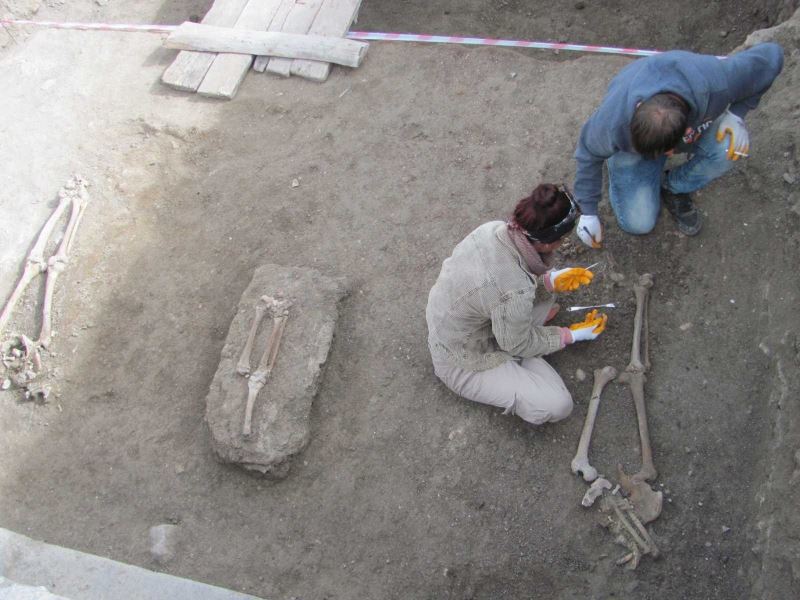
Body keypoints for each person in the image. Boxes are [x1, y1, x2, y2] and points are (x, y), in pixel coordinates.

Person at [426, 184, 608, 425]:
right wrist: (568, 335)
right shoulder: (515, 291)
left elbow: (501, 286)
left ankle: (527, 340)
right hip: (461, 358)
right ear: (548, 241)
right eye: (563, 239)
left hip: (461, 319)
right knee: (558, 404)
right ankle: (524, 358)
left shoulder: (492, 229)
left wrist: (549, 281)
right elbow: (516, 338)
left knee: (543, 299)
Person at [573, 42, 784, 246]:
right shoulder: (613, 121)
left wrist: (736, 114)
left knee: (730, 149)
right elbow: (588, 152)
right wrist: (588, 211)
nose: (660, 157)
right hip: (632, 146)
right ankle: (623, 164)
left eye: (665, 151)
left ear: (688, 130)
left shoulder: (718, 82)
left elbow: (772, 56)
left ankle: (674, 186)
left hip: (694, 113)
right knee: (638, 223)